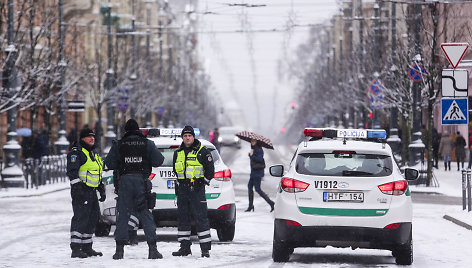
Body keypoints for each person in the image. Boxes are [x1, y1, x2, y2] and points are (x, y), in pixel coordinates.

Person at [104, 119, 165, 260]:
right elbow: (159, 161)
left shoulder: (119, 145)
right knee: (146, 214)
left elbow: (109, 163)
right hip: (141, 182)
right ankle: (152, 250)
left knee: (123, 216)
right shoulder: (147, 144)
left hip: (125, 182)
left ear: (125, 131)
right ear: (138, 130)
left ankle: (119, 251)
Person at [172, 125, 214, 258]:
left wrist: (202, 182)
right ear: (182, 138)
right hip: (183, 190)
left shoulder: (203, 151)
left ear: (193, 137)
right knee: (183, 218)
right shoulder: (177, 153)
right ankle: (184, 247)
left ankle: (205, 249)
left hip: (197, 190)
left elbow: (210, 171)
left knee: (201, 218)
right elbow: (176, 170)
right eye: (185, 136)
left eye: (189, 135)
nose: (187, 138)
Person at [67, 128, 106, 258]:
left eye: (93, 137)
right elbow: (72, 172)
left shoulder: (92, 153)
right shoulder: (77, 152)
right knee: (80, 218)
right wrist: (77, 188)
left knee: (92, 218)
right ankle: (76, 248)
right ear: (82, 139)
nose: (92, 139)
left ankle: (87, 247)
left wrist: (100, 186)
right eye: (89, 137)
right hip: (81, 191)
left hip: (92, 191)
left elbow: (97, 171)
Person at [246, 139, 274, 212]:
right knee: (249, 187)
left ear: (257, 142)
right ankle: (250, 206)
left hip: (257, 173)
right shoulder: (253, 149)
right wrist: (250, 155)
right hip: (253, 172)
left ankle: (271, 203)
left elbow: (260, 159)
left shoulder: (258, 149)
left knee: (258, 189)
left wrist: (251, 156)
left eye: (254, 141)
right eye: (251, 141)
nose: (252, 142)